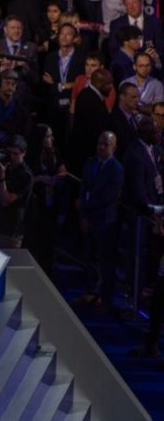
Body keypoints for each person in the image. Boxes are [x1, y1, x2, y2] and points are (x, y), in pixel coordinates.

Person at [75, 132, 125, 313]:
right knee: (89, 257)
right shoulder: (90, 163)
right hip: (89, 217)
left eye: (106, 144)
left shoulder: (117, 169)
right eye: (99, 143)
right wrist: (83, 214)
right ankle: (90, 291)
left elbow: (108, 197)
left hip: (105, 220)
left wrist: (87, 205)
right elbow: (84, 188)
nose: (101, 147)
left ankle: (105, 297)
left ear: (114, 147)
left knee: (105, 261)